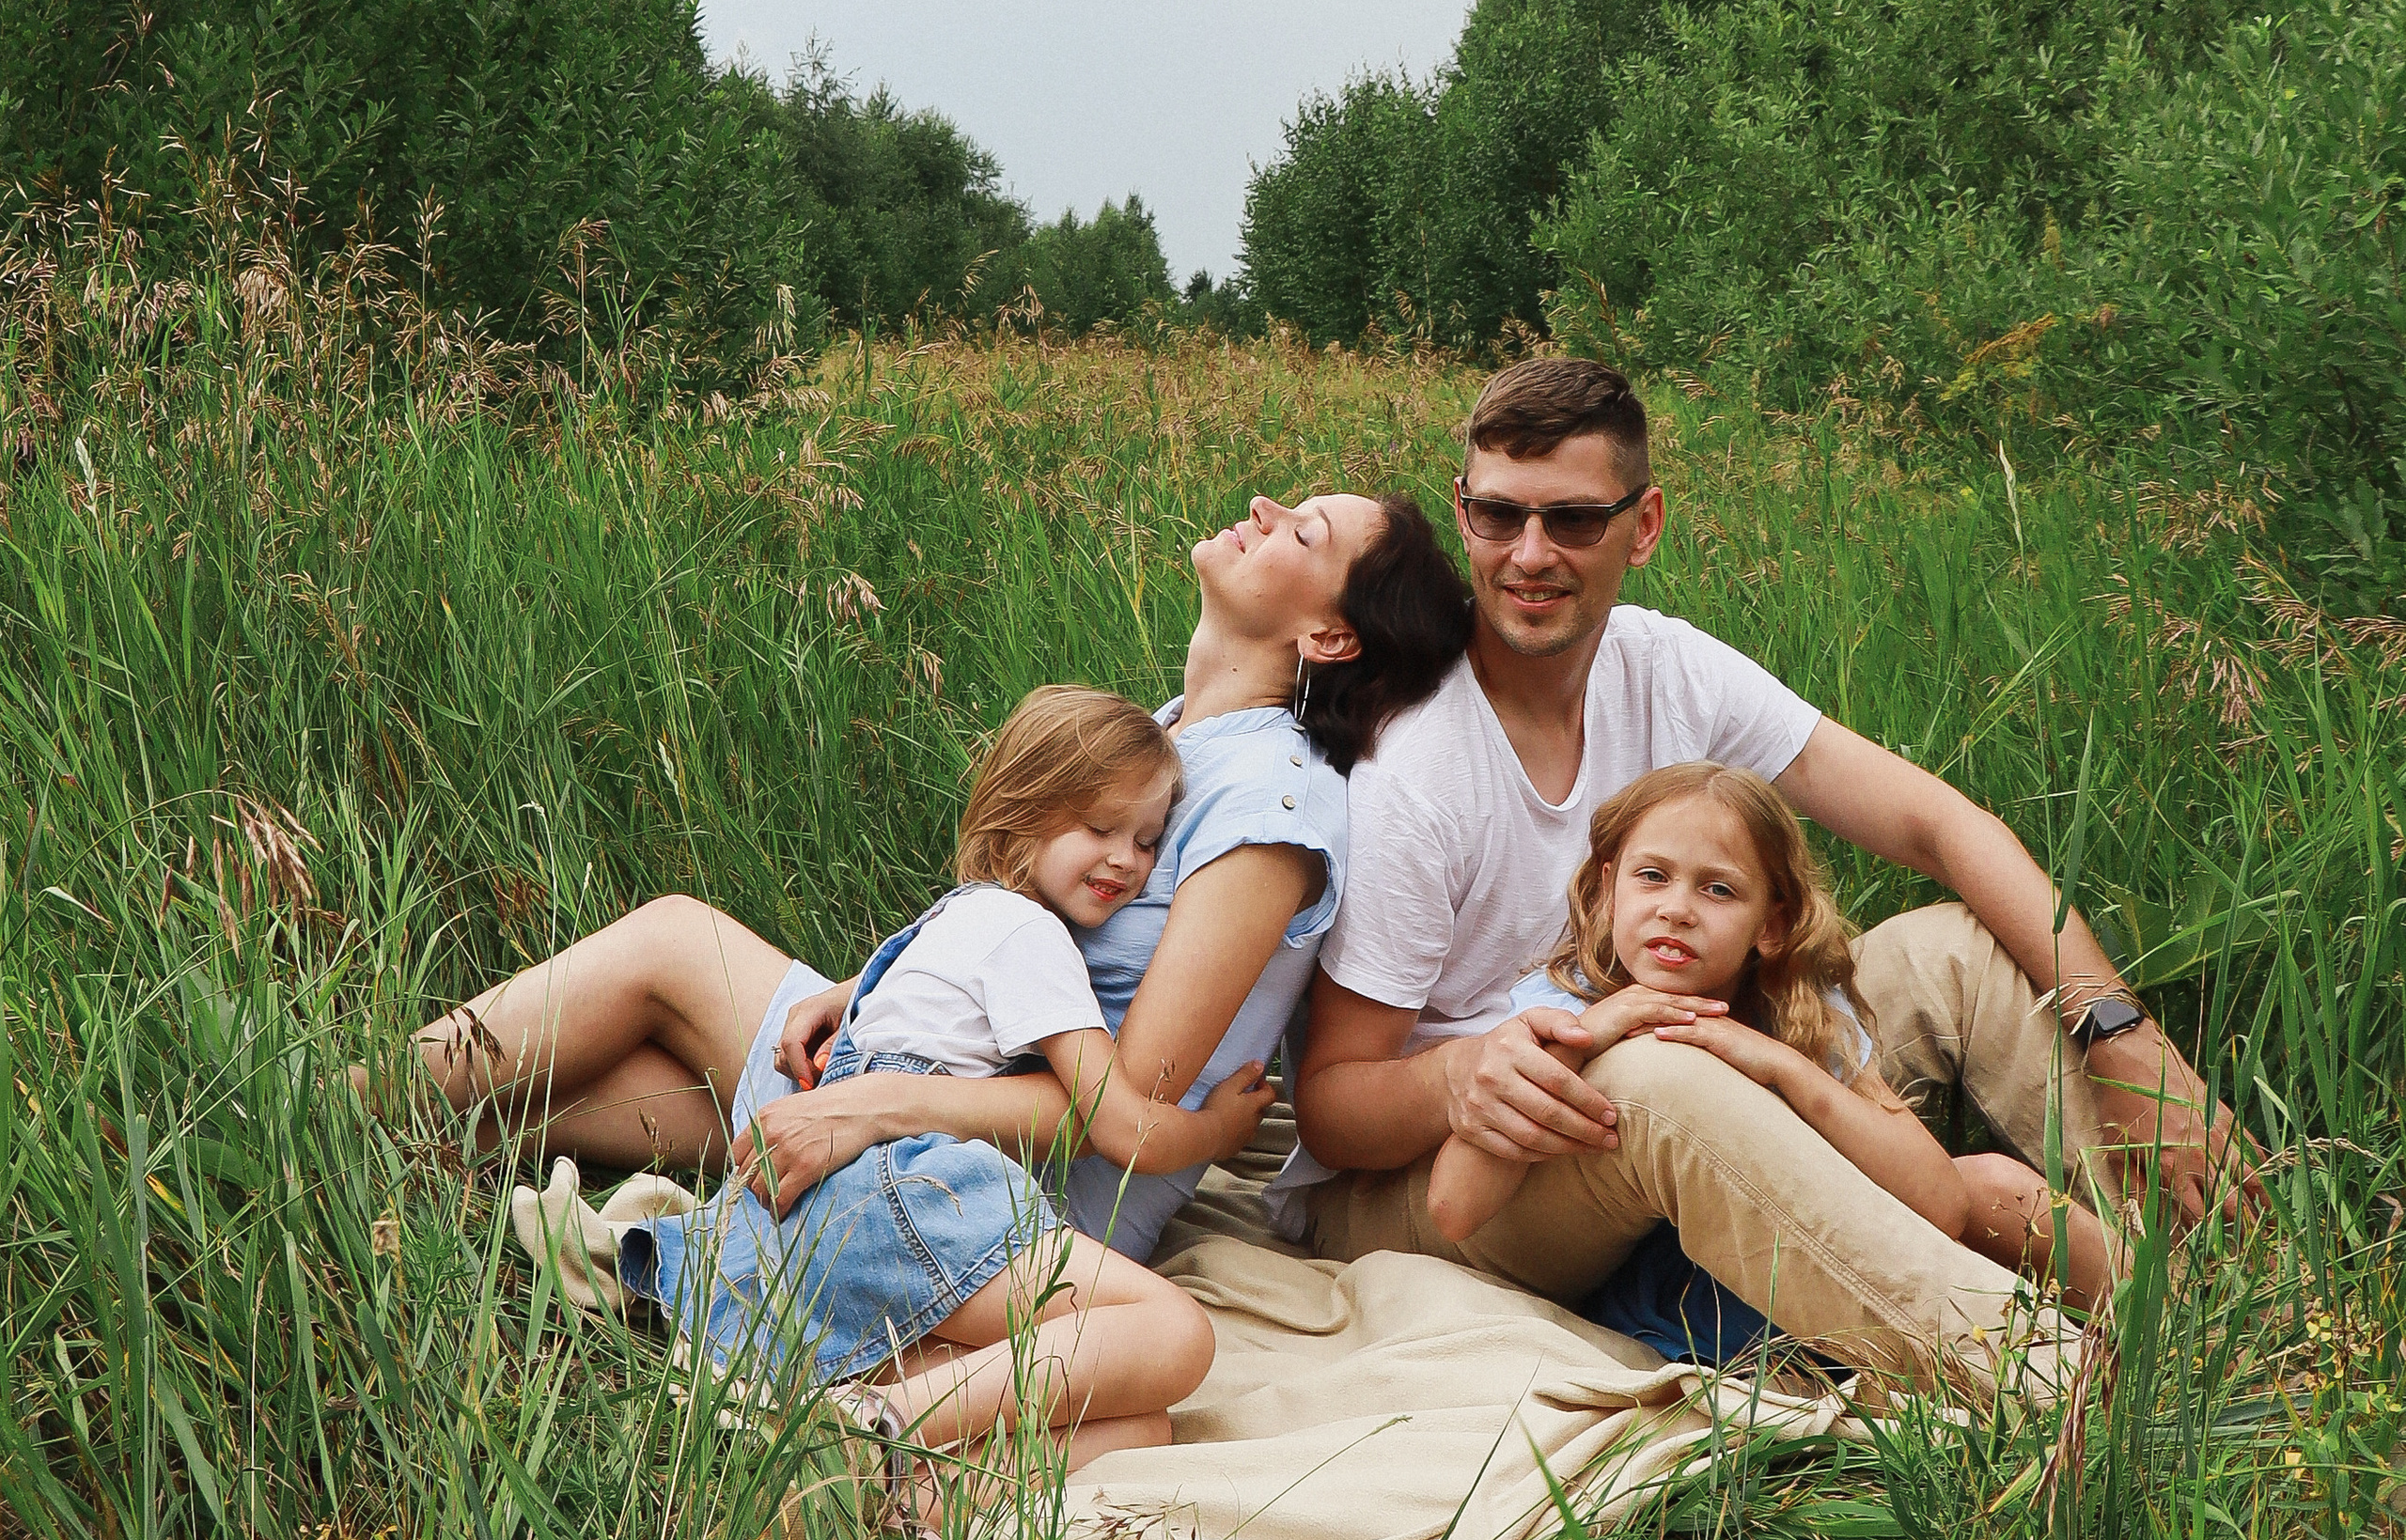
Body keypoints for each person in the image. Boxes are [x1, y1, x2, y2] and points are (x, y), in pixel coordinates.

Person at [1292, 358, 2254, 1390]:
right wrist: (1468, 1075)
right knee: (1657, 1072)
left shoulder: (1663, 666)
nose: (1529, 555)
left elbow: (1935, 822)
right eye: (1497, 516)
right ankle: (2065, 1387)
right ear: (1465, 512)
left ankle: (2245, 1284)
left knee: (1950, 949)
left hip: (1672, 1054)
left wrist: (2121, 1035)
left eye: (1572, 520)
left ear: (1642, 523)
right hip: (1451, 1177)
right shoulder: (1419, 767)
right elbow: (1331, 1107)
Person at [400, 487, 1470, 1289]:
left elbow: (1123, 1107)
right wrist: (877, 976)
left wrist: (874, 1101)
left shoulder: (1270, 805)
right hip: (950, 1084)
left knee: (675, 944)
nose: (1264, 507)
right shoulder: (1185, 737)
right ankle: (431, 1145)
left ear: (1328, 636)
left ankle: (356, 1106)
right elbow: (1022, 930)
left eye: (1304, 532)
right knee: (635, 1071)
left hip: (1017, 1192)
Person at [555, 688, 1269, 1476]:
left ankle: (882, 1495)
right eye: (1098, 828)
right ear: (1016, 815)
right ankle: (878, 1425)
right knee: (1173, 1332)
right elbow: (1118, 1126)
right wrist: (1217, 1132)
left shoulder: (958, 916)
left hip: (822, 1203)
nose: (1125, 860)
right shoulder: (1033, 938)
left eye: (1147, 839)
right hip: (905, 1191)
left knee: (1137, 1428)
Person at [1429, 761, 2112, 1367]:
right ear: (1609, 890)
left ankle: (2163, 1320)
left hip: (1823, 1263)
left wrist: (1787, 1069)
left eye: (1718, 890)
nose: (1677, 909)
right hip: (1683, 1314)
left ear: (1772, 925)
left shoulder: (1800, 1010)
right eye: (1652, 877)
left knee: (1998, 1187)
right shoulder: (1562, 1002)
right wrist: (1583, 1039)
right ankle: (2045, 1376)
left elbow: (1940, 1201)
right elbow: (1454, 1207)